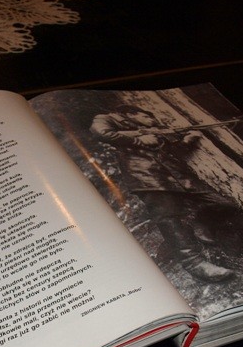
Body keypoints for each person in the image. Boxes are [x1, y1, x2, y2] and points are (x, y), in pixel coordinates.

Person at [89, 105, 235, 283]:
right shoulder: (106, 118)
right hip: (146, 178)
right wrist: (139, 139)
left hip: (175, 177)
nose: (152, 120)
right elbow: (101, 133)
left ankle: (200, 222)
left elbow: (171, 151)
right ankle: (194, 264)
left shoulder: (153, 131)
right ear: (131, 114)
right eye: (147, 116)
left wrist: (187, 140)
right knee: (169, 219)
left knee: (224, 204)